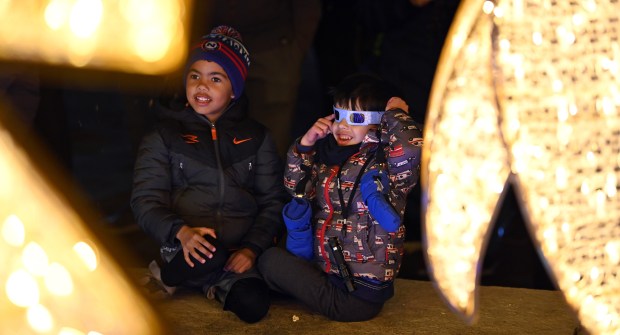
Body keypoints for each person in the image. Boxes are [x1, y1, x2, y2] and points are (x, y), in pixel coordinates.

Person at [130, 25, 287, 324]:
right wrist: (182, 232)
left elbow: (273, 202)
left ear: (234, 90)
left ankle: (210, 283)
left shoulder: (257, 138)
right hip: (181, 248)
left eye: (215, 78)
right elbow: (144, 201)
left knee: (254, 306)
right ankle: (168, 276)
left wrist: (252, 250)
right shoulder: (163, 135)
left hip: (235, 254)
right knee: (207, 253)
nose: (202, 86)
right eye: (194, 76)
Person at [257, 73, 423, 321]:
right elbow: (296, 188)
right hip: (329, 272)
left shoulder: (387, 165)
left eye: (355, 118)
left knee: (269, 262)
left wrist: (396, 114)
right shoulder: (330, 158)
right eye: (338, 116)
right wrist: (305, 145)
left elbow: (410, 148)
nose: (342, 126)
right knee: (271, 257)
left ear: (379, 123)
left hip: (358, 296)